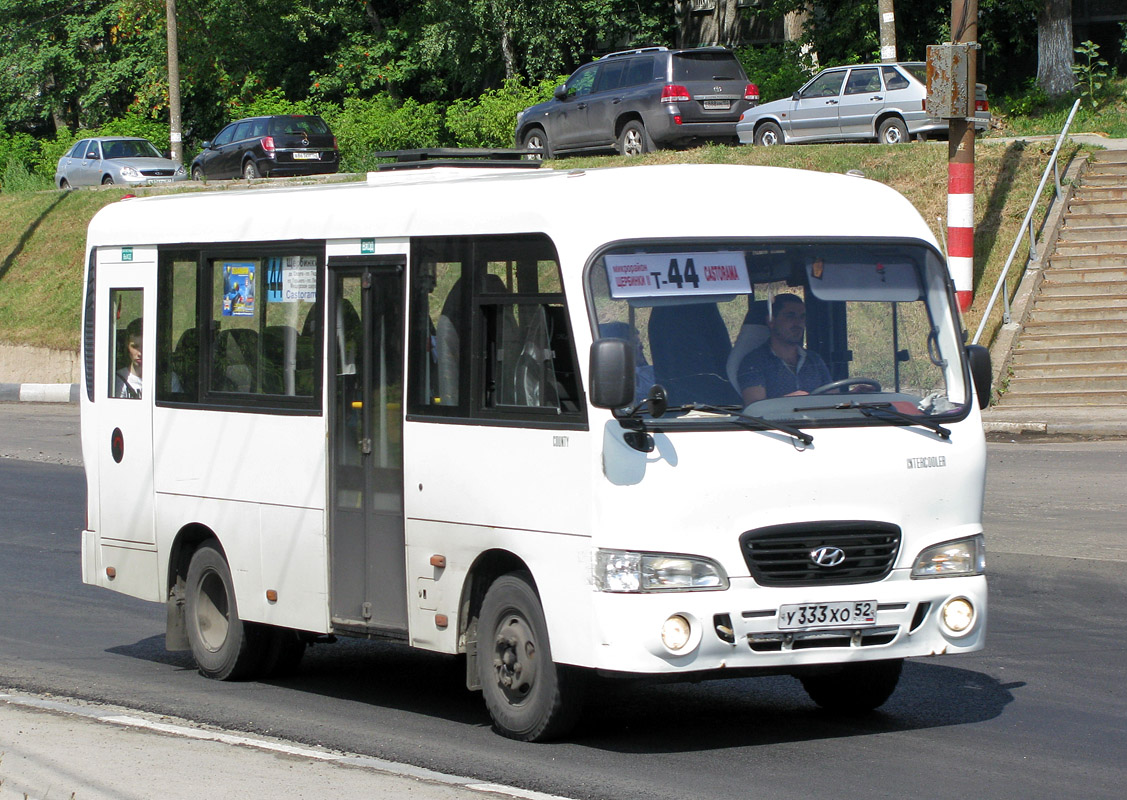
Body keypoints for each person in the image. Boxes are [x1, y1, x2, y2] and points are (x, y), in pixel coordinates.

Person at [736, 294, 830, 404]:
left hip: (820, 420)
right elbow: (755, 408)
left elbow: (833, 397)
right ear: (771, 321)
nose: (798, 323)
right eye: (790, 316)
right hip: (773, 421)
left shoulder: (814, 359)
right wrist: (790, 401)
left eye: (802, 317)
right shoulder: (754, 362)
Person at [114, 318, 143, 399]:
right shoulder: (117, 380)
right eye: (135, 347)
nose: (140, 353)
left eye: (145, 347)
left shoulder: (169, 380)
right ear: (127, 346)